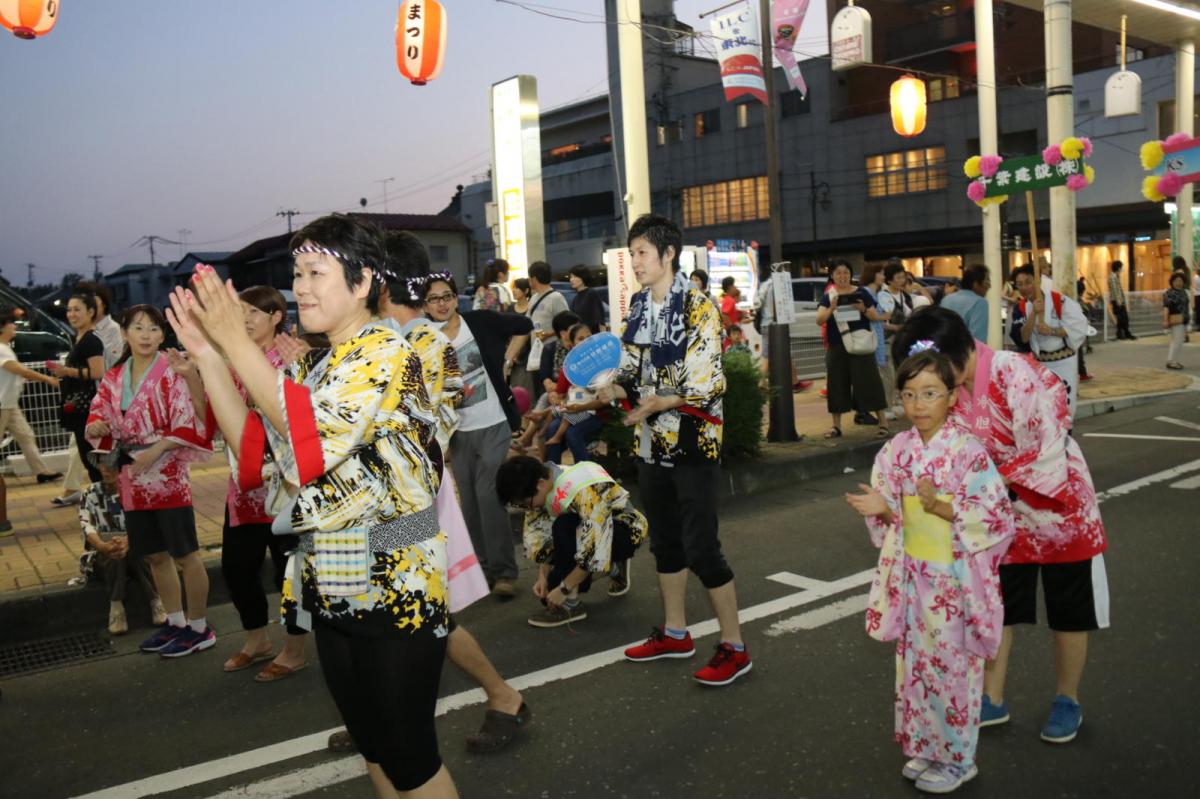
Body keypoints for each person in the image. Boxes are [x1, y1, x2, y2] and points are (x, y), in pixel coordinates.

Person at [168, 214, 459, 797]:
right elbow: (252, 452)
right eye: (296, 272)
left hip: (395, 579)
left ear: (362, 281)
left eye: (314, 272)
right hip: (333, 577)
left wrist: (232, 343)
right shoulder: (312, 363)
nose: (299, 286)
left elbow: (310, 450)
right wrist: (207, 355)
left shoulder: (384, 350)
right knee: (374, 747)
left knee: (409, 759)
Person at [322, 229, 529, 756]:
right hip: (373, 509)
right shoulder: (388, 340)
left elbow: (406, 437)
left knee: (422, 615)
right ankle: (380, 713)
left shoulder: (421, 345)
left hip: (407, 508)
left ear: (381, 283)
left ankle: (500, 696)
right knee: (383, 613)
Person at [894, 307, 1108, 746]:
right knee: (997, 605)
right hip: (998, 513)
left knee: (1068, 611)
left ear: (957, 355)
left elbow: (1048, 443)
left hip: (1058, 508)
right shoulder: (952, 390)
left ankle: (1067, 698)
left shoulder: (1012, 372)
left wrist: (987, 484)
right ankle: (991, 697)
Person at [846, 348, 1014, 794]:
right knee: (917, 668)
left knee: (953, 669)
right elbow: (888, 521)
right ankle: (926, 746)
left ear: (953, 397)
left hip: (954, 580)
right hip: (913, 576)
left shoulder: (969, 453)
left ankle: (960, 759)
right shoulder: (895, 450)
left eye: (930, 393)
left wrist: (938, 505)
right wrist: (882, 511)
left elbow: (996, 518)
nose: (918, 405)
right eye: (909, 394)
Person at [601, 213, 751, 687]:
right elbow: (630, 361)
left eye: (642, 253)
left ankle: (735, 647)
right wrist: (608, 388)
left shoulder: (699, 308)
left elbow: (705, 382)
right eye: (632, 254)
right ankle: (675, 632)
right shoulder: (642, 304)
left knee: (702, 546)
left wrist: (656, 402)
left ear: (668, 255)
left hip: (693, 440)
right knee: (665, 541)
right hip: (652, 443)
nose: (635, 262)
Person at [175, 286, 309, 679]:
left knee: (290, 569)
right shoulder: (230, 362)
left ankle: (295, 647)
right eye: (242, 311)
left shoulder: (289, 355)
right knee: (237, 569)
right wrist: (193, 378)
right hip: (246, 489)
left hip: (287, 488)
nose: (246, 318)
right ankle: (257, 639)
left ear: (277, 317)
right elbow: (212, 421)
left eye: (255, 311)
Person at [86, 305, 214, 658]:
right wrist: (96, 426)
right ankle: (175, 623)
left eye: (154, 329)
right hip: (130, 471)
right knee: (155, 555)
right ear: (124, 332)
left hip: (166, 471)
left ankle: (200, 627)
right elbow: (99, 412)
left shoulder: (172, 371)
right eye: (138, 328)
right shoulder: (114, 377)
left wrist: (156, 450)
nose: (146, 335)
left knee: (185, 554)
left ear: (162, 335)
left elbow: (190, 420)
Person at [425, 273, 533, 600]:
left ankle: (504, 573)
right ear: (426, 306)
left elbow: (524, 325)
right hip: (457, 430)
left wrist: (507, 359)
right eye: (434, 299)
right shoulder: (423, 337)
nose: (442, 303)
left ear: (457, 299)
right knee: (469, 503)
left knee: (488, 496)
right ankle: (482, 569)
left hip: (493, 421)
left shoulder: (480, 321)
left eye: (447, 296)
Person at [496, 455, 646, 627]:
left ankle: (571, 606)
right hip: (587, 533)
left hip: (625, 529)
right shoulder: (542, 482)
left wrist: (564, 589)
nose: (525, 508)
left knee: (563, 528)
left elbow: (595, 550)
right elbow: (542, 538)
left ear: (540, 484)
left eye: (523, 504)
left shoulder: (585, 490)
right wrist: (542, 577)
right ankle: (614, 569)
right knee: (550, 591)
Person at [78, 461, 166, 635]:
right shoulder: (90, 492)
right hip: (102, 553)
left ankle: (153, 601)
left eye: (110, 463)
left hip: (136, 549)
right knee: (115, 553)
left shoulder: (137, 489)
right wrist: (103, 546)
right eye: (101, 464)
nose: (104, 469)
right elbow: (86, 526)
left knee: (135, 550)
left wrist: (128, 541)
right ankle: (119, 606)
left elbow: (147, 524)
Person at [815, 260, 890, 439]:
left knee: (870, 382)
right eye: (838, 273)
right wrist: (832, 308)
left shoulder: (861, 293)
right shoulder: (829, 296)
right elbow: (819, 320)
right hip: (837, 345)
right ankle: (836, 426)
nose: (842, 276)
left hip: (860, 344)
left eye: (846, 273)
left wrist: (862, 308)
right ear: (832, 275)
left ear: (850, 275)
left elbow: (874, 316)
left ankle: (883, 423)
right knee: (837, 385)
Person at [1009, 265, 1088, 415]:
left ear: (1038, 281)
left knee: (1064, 409)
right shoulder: (1020, 307)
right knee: (1044, 411)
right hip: (1040, 365)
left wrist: (1052, 331)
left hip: (1064, 363)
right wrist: (1033, 313)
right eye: (1019, 284)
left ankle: (1064, 437)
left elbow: (1079, 327)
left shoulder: (1060, 301)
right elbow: (1023, 338)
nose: (1024, 287)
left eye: (1028, 282)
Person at [0, 311, 62, 484]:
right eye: (11, 324)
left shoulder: (5, 348)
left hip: (9, 403)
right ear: (2, 328)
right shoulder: (1, 349)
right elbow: (21, 370)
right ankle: (41, 471)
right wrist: (48, 378)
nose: (14, 327)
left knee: (26, 435)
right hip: (2, 403)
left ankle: (41, 471)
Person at [52, 292, 107, 485]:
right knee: (89, 460)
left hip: (88, 410)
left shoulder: (91, 340)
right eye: (69, 310)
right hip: (79, 409)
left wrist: (66, 371)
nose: (72, 314)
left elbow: (97, 372)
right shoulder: (80, 338)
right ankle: (105, 502)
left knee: (94, 461)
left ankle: (110, 503)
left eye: (77, 310)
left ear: (91, 312)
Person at [543, 323, 605, 465]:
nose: (586, 341)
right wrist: (560, 402)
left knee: (572, 433)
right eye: (580, 339)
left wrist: (578, 407)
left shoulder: (603, 362)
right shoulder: (570, 366)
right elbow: (561, 396)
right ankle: (554, 471)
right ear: (572, 344)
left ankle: (587, 474)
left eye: (589, 337)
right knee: (553, 427)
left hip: (595, 413)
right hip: (573, 410)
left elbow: (604, 401)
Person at [517, 261, 569, 400]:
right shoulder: (533, 298)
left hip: (552, 355)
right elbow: (527, 325)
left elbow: (567, 325)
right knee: (539, 392)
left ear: (533, 279)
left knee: (552, 393)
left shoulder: (556, 297)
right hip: (536, 354)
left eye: (529, 278)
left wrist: (549, 334)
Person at [858, 264, 893, 422]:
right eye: (881, 273)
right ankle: (866, 410)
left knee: (874, 374)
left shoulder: (875, 293)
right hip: (870, 337)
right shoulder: (866, 293)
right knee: (871, 375)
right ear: (873, 274)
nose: (883, 277)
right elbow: (872, 316)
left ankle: (867, 410)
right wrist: (885, 316)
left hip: (874, 336)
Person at [74, 280, 124, 370]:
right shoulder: (85, 329)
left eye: (94, 302)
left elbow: (113, 363)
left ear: (104, 303)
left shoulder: (112, 328)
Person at [941, 264, 991, 342]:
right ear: (976, 284)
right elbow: (977, 340)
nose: (989, 286)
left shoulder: (947, 299)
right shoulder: (979, 302)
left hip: (942, 350)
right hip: (964, 352)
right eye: (987, 281)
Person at [1163, 270, 1190, 370]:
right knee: (1176, 341)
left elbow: (1187, 306)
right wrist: (1165, 320)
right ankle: (1171, 361)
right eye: (1176, 281)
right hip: (1175, 319)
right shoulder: (1168, 293)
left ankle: (1174, 360)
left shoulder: (1184, 292)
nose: (1178, 283)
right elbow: (1166, 308)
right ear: (1172, 282)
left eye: (1180, 281)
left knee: (1179, 341)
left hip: (1184, 319)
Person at [568, 265, 606, 332]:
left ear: (583, 277)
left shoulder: (591, 293)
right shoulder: (575, 298)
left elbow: (600, 318)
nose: (572, 279)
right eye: (571, 277)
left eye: (575, 276)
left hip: (593, 336)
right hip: (581, 336)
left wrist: (603, 336)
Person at [1107, 260, 1135, 340]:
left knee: (1121, 318)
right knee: (1123, 317)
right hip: (1117, 300)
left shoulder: (1115, 276)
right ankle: (1125, 333)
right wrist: (1119, 301)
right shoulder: (1112, 277)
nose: (1122, 270)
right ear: (1118, 268)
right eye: (1121, 268)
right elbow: (1114, 290)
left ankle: (1121, 334)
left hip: (1118, 300)